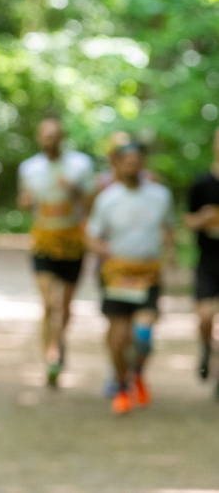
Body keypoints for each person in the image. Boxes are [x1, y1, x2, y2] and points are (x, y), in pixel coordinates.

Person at [86, 142, 175, 414]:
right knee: (118, 333)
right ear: (118, 164)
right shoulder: (107, 199)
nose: (132, 165)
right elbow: (92, 235)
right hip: (117, 274)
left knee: (143, 334)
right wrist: (103, 251)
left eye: (137, 160)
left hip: (147, 274)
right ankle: (122, 385)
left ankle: (137, 372)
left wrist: (171, 255)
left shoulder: (160, 196)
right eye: (127, 161)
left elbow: (169, 229)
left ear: (143, 163)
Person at [18, 117, 95, 388]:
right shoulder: (29, 168)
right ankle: (50, 357)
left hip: (73, 240)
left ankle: (59, 341)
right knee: (49, 303)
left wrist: (73, 191)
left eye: (55, 136)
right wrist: (27, 203)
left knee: (66, 306)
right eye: (46, 136)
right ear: (39, 138)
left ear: (63, 137)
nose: (51, 141)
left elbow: (92, 201)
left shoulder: (81, 165)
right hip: (44, 240)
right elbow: (24, 201)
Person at [183, 126, 219, 398]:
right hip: (207, 261)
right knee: (205, 317)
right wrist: (202, 220)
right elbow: (187, 221)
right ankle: (206, 347)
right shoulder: (201, 183)